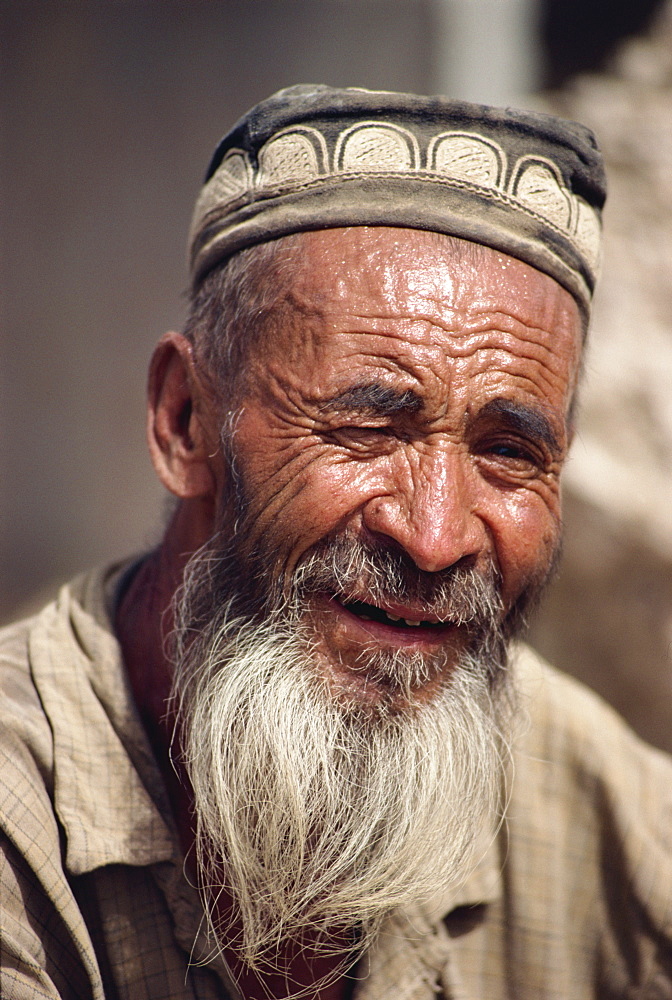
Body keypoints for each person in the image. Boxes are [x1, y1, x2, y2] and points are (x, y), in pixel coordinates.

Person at [1, 85, 671, 1000]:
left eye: (508, 452)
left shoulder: (607, 816)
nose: (434, 537)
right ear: (186, 418)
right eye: (366, 429)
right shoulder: (18, 824)